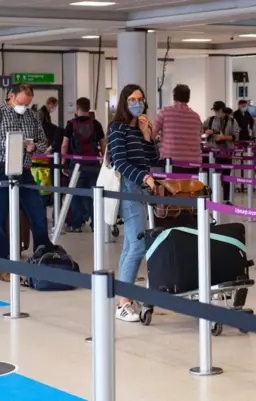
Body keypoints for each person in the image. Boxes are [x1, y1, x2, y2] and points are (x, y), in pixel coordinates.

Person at [0, 83, 50, 261]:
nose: (25, 107)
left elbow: (43, 143)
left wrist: (34, 147)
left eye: (28, 103)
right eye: (22, 102)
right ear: (12, 96)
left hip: (24, 170)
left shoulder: (32, 116)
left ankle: (43, 250)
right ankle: (3, 257)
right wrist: (6, 144)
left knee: (37, 211)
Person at [108, 84, 159, 322]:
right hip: (129, 188)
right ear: (124, 102)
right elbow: (119, 161)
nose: (137, 102)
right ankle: (123, 302)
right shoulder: (117, 128)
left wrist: (148, 135)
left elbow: (153, 158)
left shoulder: (139, 128)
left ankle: (123, 297)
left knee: (131, 246)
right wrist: (144, 177)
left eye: (140, 98)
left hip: (141, 187)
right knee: (138, 246)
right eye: (131, 99)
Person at [61, 97, 106, 232]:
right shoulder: (96, 124)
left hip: (76, 165)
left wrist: (63, 163)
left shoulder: (71, 124)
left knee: (75, 195)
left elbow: (64, 145)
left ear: (77, 108)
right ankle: (95, 224)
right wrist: (103, 160)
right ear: (89, 108)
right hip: (93, 164)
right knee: (95, 195)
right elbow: (103, 144)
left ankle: (76, 224)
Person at [152, 84, 202, 173]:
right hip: (194, 164)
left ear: (174, 97)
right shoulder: (196, 116)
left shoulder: (165, 112)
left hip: (172, 163)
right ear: (188, 98)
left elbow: (152, 135)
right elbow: (198, 136)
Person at [203, 101, 239, 203]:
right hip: (211, 152)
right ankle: (209, 198)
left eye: (218, 110)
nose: (216, 112)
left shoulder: (232, 121)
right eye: (215, 110)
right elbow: (202, 128)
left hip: (225, 153)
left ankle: (226, 199)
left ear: (223, 110)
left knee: (226, 177)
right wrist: (206, 131)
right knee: (209, 176)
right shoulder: (210, 120)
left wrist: (224, 137)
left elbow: (236, 136)